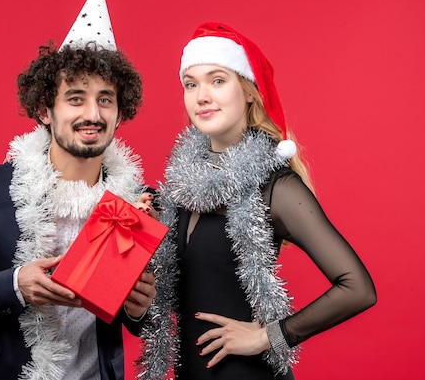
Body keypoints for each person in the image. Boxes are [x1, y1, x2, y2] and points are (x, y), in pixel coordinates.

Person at [0, 0, 156, 380]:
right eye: (76, 98)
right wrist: (14, 284)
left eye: (105, 99)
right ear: (45, 110)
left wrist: (139, 310)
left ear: (121, 112)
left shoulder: (139, 204)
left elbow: (142, 320)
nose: (93, 114)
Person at [137, 22, 377, 380]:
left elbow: (358, 288)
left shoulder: (276, 187)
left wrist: (269, 336)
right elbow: (166, 301)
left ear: (248, 91)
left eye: (217, 80)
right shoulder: (181, 193)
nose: (201, 95)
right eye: (191, 84)